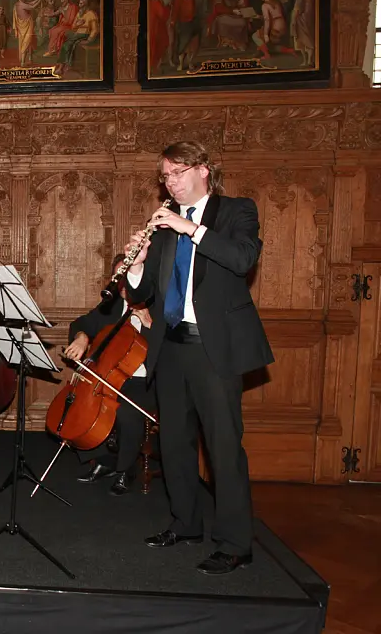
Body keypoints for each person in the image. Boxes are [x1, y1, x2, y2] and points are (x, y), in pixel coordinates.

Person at [124, 140, 274, 575]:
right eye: (165, 176)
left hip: (214, 348)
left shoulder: (235, 211)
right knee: (174, 444)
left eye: (177, 173)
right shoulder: (165, 226)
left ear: (204, 170)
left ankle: (234, 543)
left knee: (223, 448)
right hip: (170, 346)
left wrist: (190, 228)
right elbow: (142, 292)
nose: (170, 183)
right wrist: (137, 265)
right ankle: (186, 524)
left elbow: (243, 257)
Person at [62, 254, 156, 496]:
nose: (122, 283)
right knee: (83, 403)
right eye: (118, 277)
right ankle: (103, 460)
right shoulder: (113, 305)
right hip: (112, 378)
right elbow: (81, 323)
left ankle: (126, 469)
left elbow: (170, 347)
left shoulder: (157, 306)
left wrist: (149, 326)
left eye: (127, 276)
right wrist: (82, 338)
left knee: (125, 410)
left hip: (146, 380)